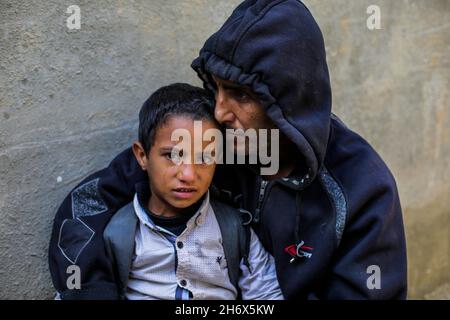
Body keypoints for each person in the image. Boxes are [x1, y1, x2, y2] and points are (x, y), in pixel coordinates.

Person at [49, 0, 407, 299]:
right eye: (217, 88)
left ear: (285, 99)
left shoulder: (362, 187)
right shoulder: (208, 139)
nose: (220, 111)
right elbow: (84, 208)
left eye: (241, 95)